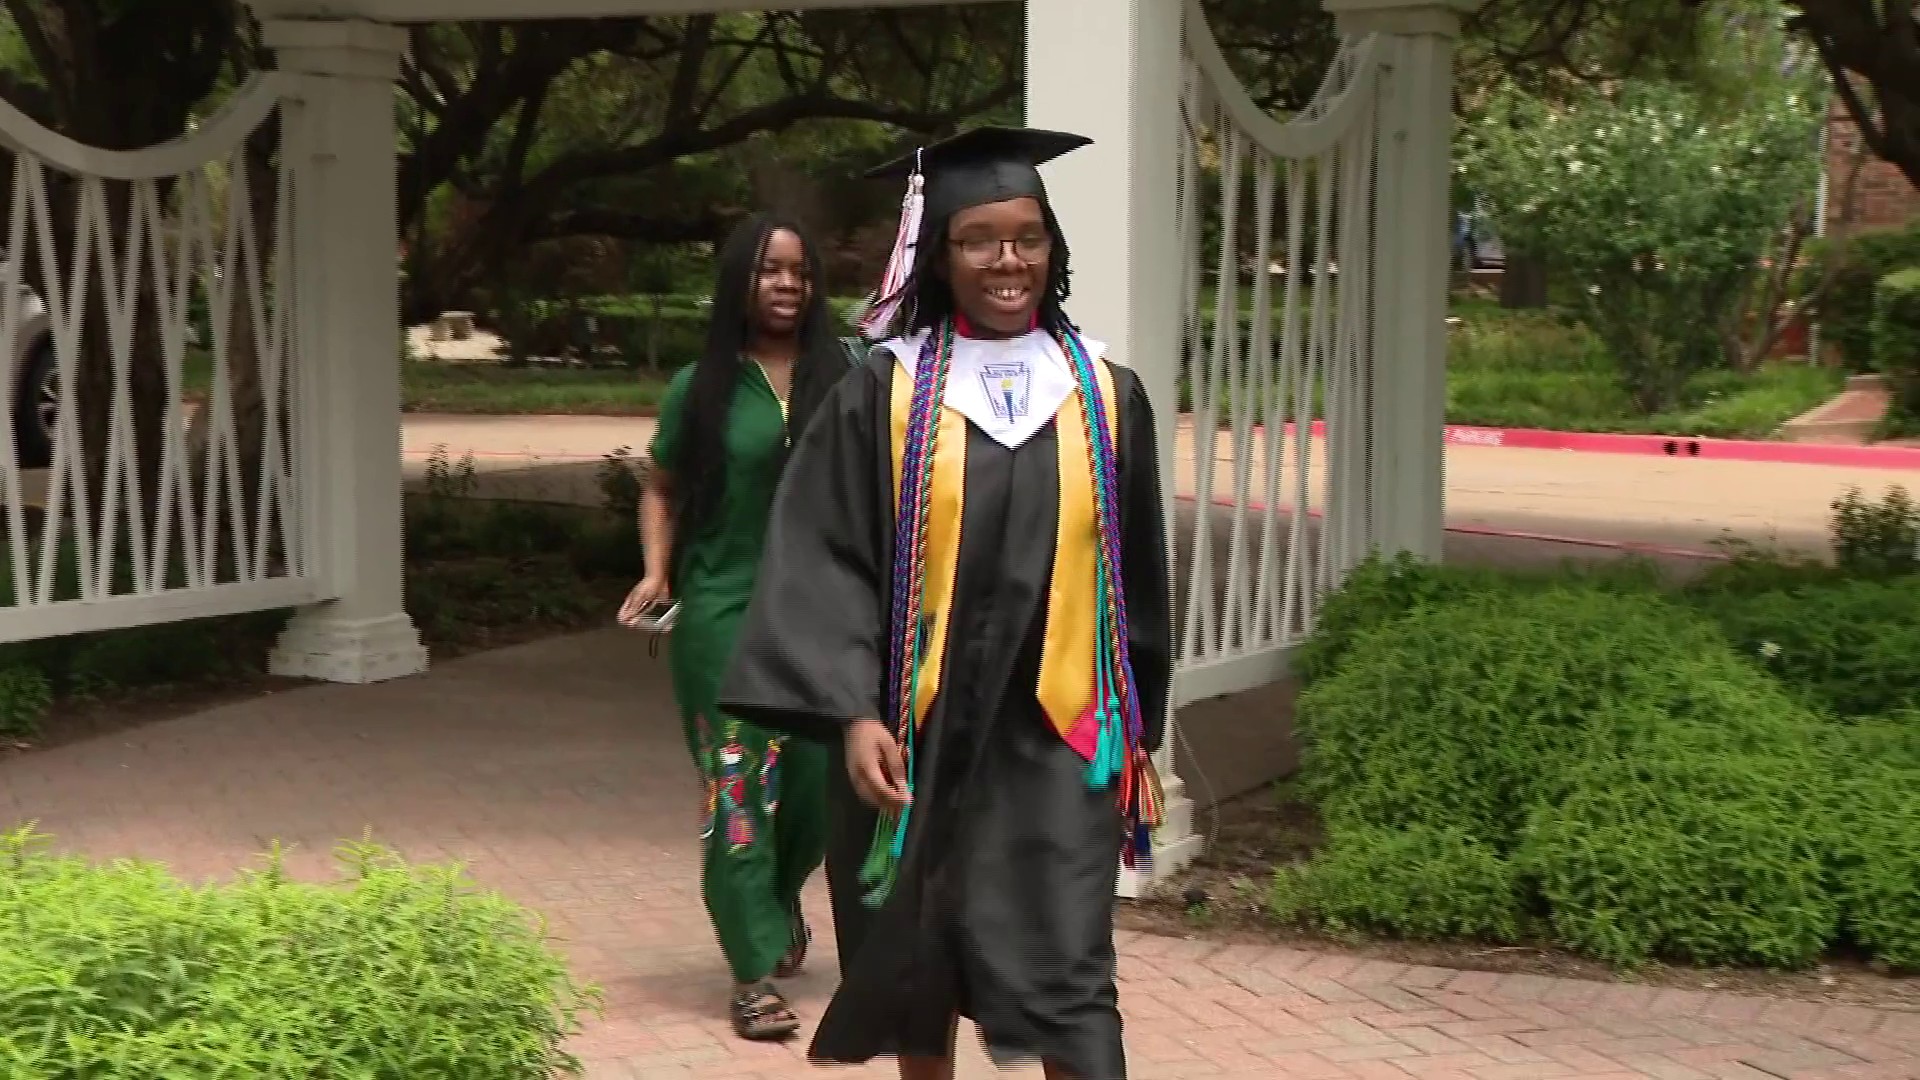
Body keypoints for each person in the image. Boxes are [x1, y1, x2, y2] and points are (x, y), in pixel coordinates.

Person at [717, 127, 1174, 1080]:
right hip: (914, 729)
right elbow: (826, 559)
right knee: (918, 954)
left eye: (1027, 237)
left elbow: (1134, 577)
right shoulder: (878, 394)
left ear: (1052, 248)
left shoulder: (1104, 394)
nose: (1008, 261)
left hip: (1060, 738)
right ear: (941, 253)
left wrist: (1132, 727)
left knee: (1072, 970)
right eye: (979, 239)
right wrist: (850, 712)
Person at [618, 212, 856, 1042]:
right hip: (723, 617)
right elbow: (661, 486)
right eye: (767, 270)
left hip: (824, 621)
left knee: (820, 792)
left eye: (798, 270)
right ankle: (752, 974)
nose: (786, 284)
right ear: (739, 283)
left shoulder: (849, 373)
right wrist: (657, 571)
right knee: (738, 788)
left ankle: (779, 899)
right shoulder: (702, 386)